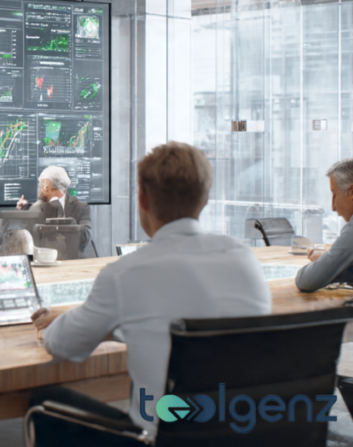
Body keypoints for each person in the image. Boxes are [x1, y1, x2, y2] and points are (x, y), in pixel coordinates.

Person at [27, 142, 271, 445]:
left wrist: (92, 322)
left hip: (158, 440)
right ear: (205, 198)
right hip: (244, 434)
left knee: (45, 401)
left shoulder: (126, 273)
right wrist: (117, 326)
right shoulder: (244, 259)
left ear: (142, 198)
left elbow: (60, 344)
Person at [295, 157, 353, 292]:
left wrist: (327, 260)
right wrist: (332, 259)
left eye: (335, 194)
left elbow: (305, 281)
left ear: (352, 192)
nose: (333, 207)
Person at [16, 166, 93, 255]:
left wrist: (66, 223)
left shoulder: (81, 207)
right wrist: (25, 211)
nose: (39, 188)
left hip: (73, 260)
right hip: (44, 259)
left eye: (41, 183)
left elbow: (85, 237)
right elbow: (28, 237)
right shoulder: (37, 208)